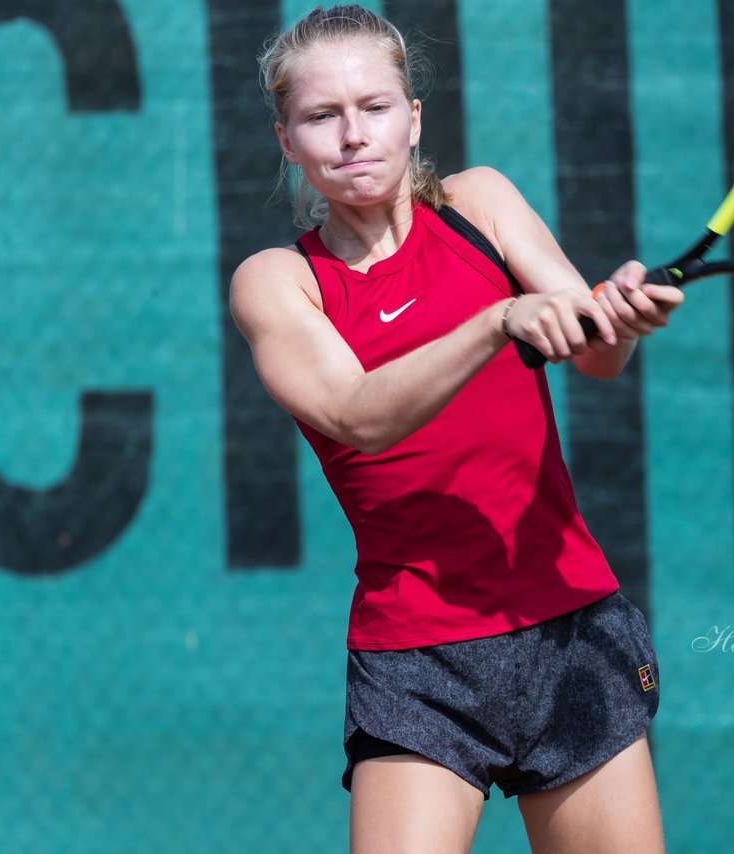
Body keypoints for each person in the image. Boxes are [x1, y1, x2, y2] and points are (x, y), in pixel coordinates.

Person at [233, 5, 683, 852]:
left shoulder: (481, 203)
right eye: (322, 117)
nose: (353, 135)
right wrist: (496, 322)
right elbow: (358, 417)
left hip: (570, 622)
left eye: (373, 107)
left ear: (414, 118)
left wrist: (616, 317)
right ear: (288, 141)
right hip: (417, 658)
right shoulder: (277, 281)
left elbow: (592, 353)